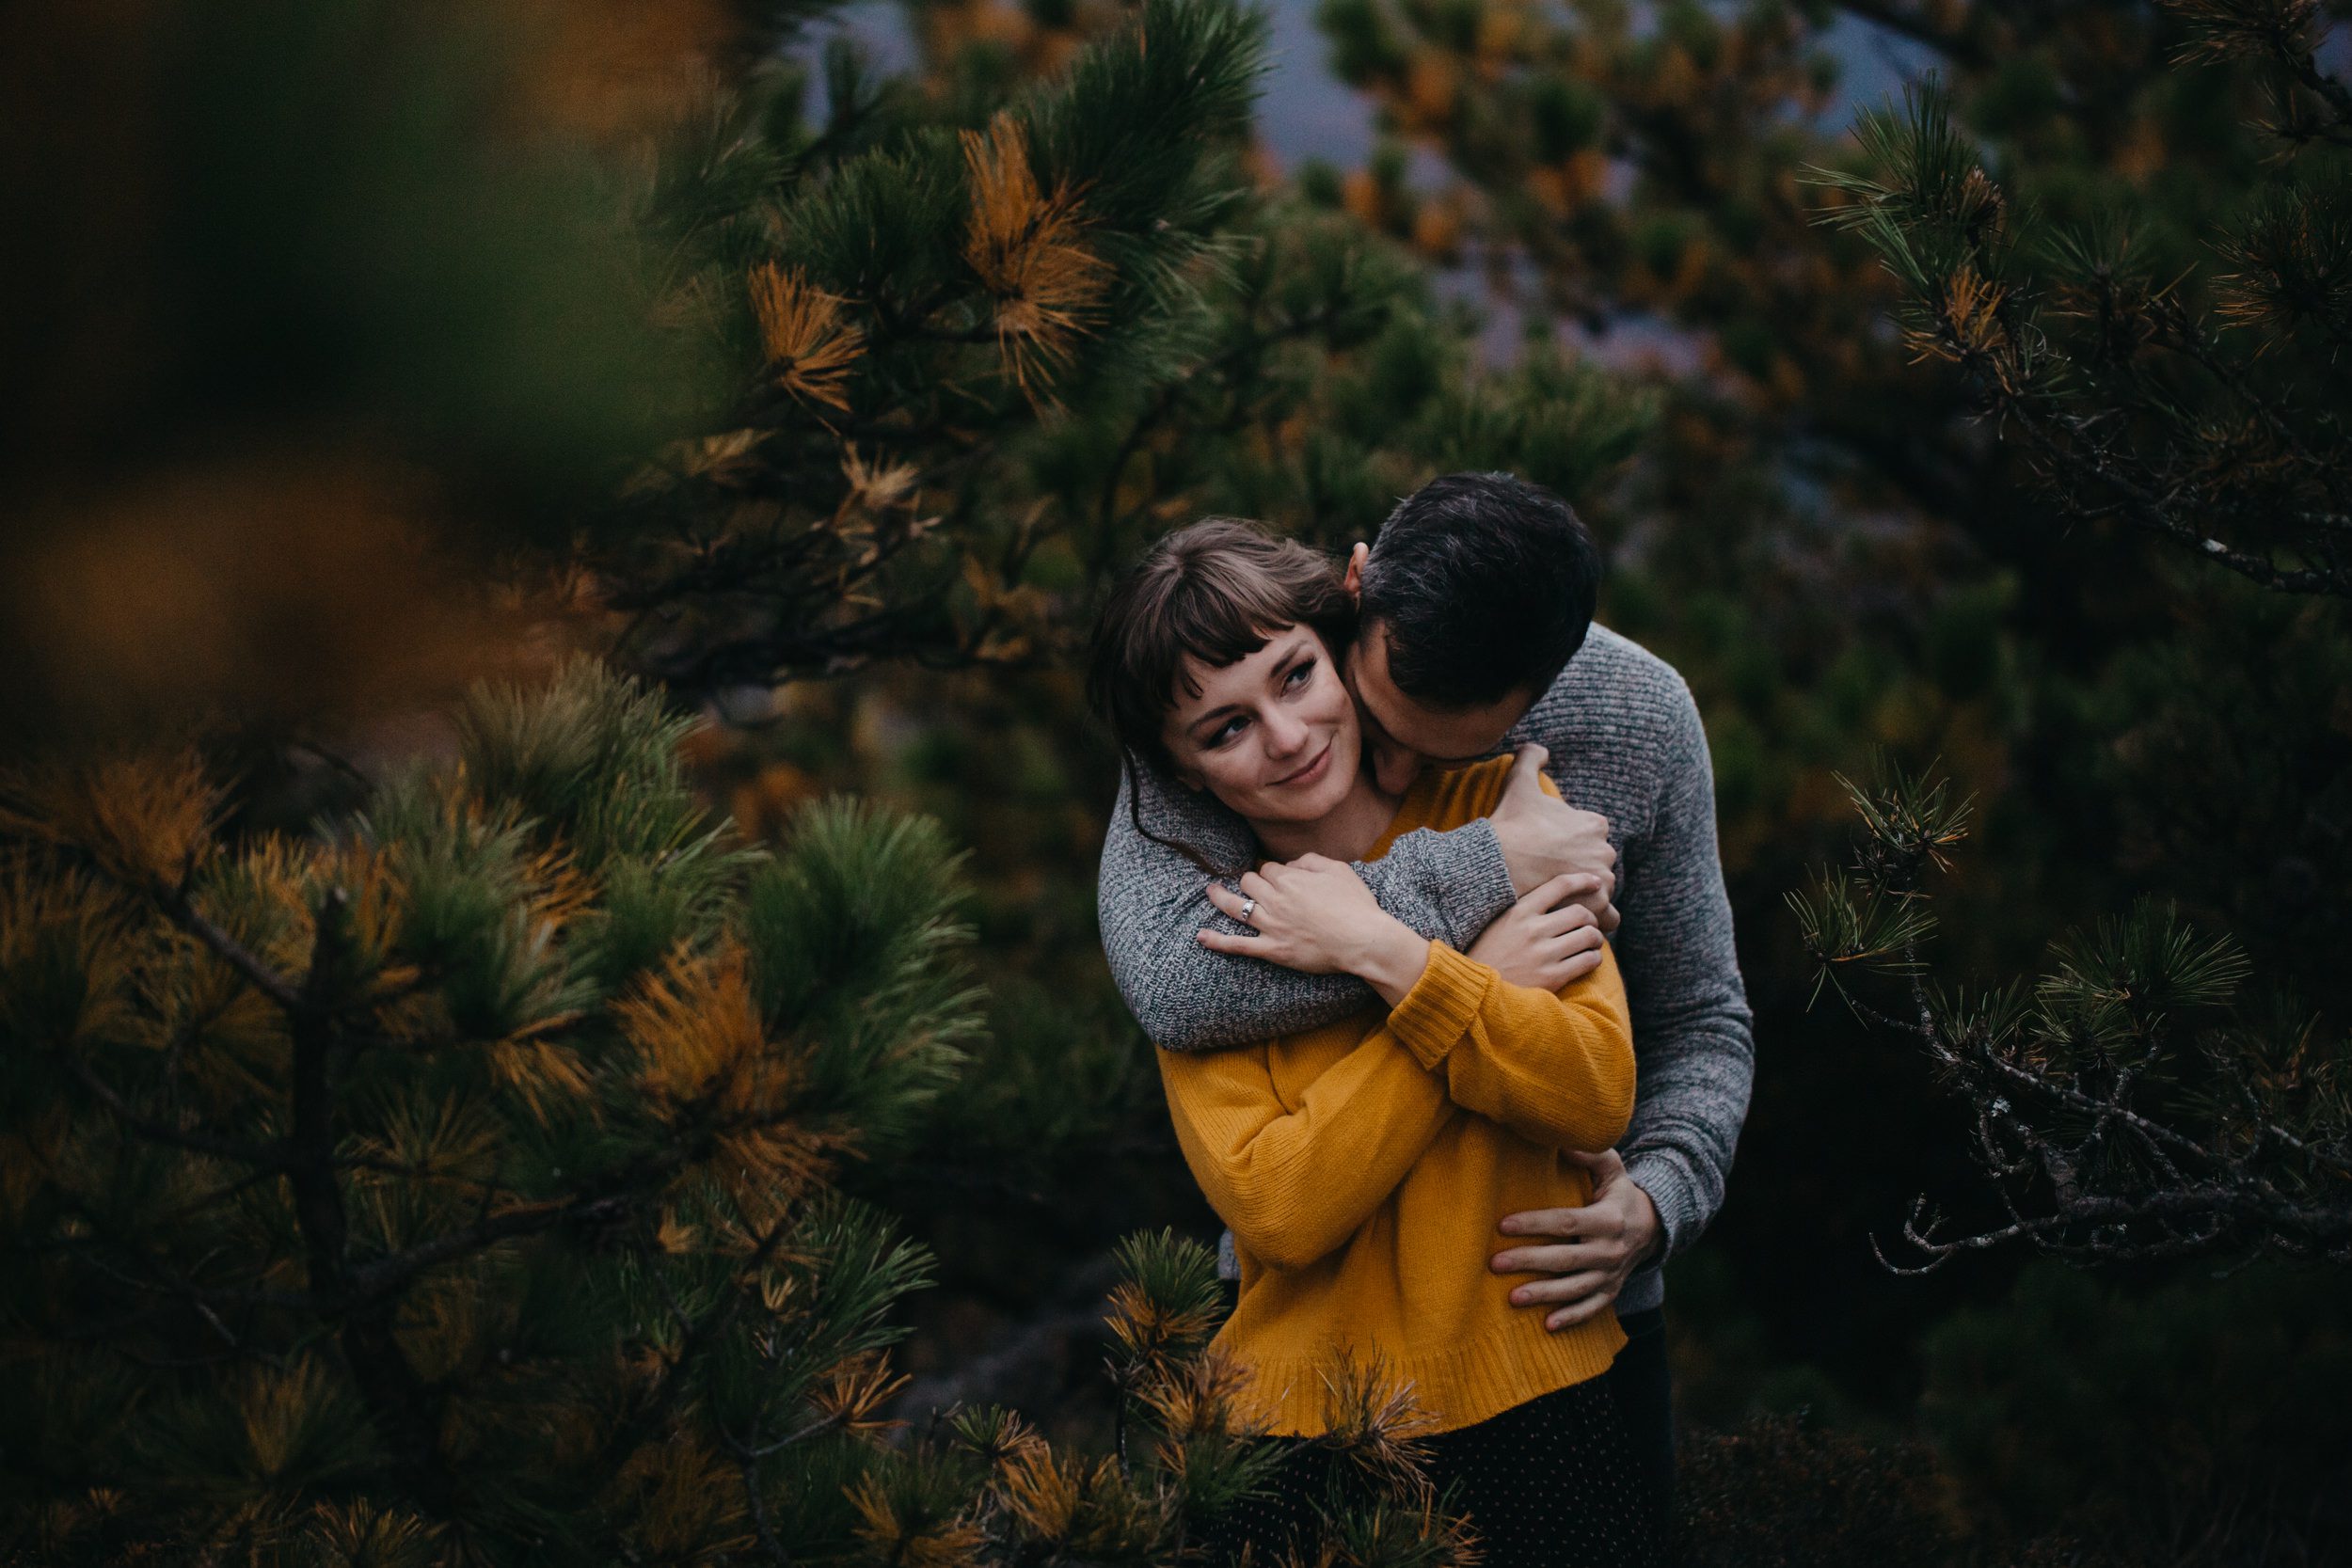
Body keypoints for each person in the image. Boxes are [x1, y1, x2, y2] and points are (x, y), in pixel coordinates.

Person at [1094, 473, 1754, 1526]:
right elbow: (1180, 985)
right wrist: (1454, 925)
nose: (1379, 766)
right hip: (1309, 1370)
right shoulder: (1212, 751)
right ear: (1354, 591)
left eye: (1433, 744)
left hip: (1557, 1320)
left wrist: (1658, 1199)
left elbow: (1688, 1024)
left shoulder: (1619, 728)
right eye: (1379, 716)